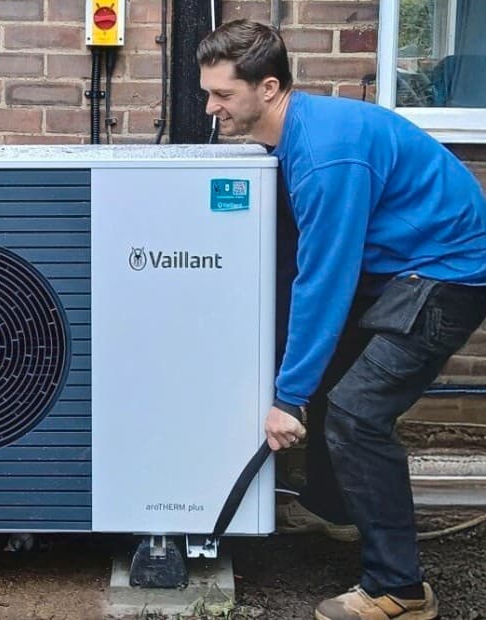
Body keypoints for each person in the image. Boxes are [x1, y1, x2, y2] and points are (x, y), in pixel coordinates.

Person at [198, 19, 486, 620]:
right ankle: (334, 508)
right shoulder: (296, 137)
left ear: (268, 88)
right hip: (397, 269)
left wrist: (288, 396)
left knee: (358, 413)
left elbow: (323, 280)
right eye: (208, 92)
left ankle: (400, 590)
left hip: (447, 276)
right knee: (334, 378)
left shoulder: (326, 160)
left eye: (223, 94)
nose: (211, 106)